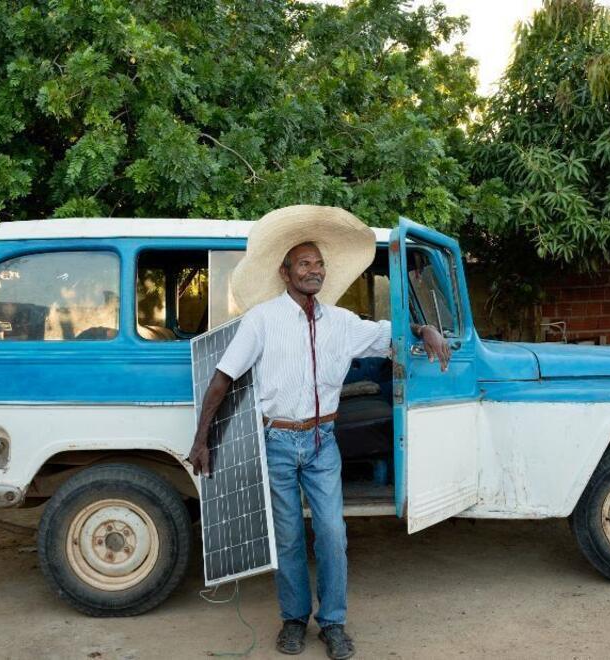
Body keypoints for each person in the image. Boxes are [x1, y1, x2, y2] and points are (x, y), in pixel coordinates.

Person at [189, 206, 450, 659]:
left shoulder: (343, 323)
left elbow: (392, 334)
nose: (314, 270)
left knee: (332, 533)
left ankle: (333, 623)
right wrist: (201, 440)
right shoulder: (262, 320)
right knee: (288, 535)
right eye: (304, 263)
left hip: (322, 442)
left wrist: (425, 328)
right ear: (285, 272)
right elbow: (222, 379)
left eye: (319, 264)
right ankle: (293, 619)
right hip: (278, 441)